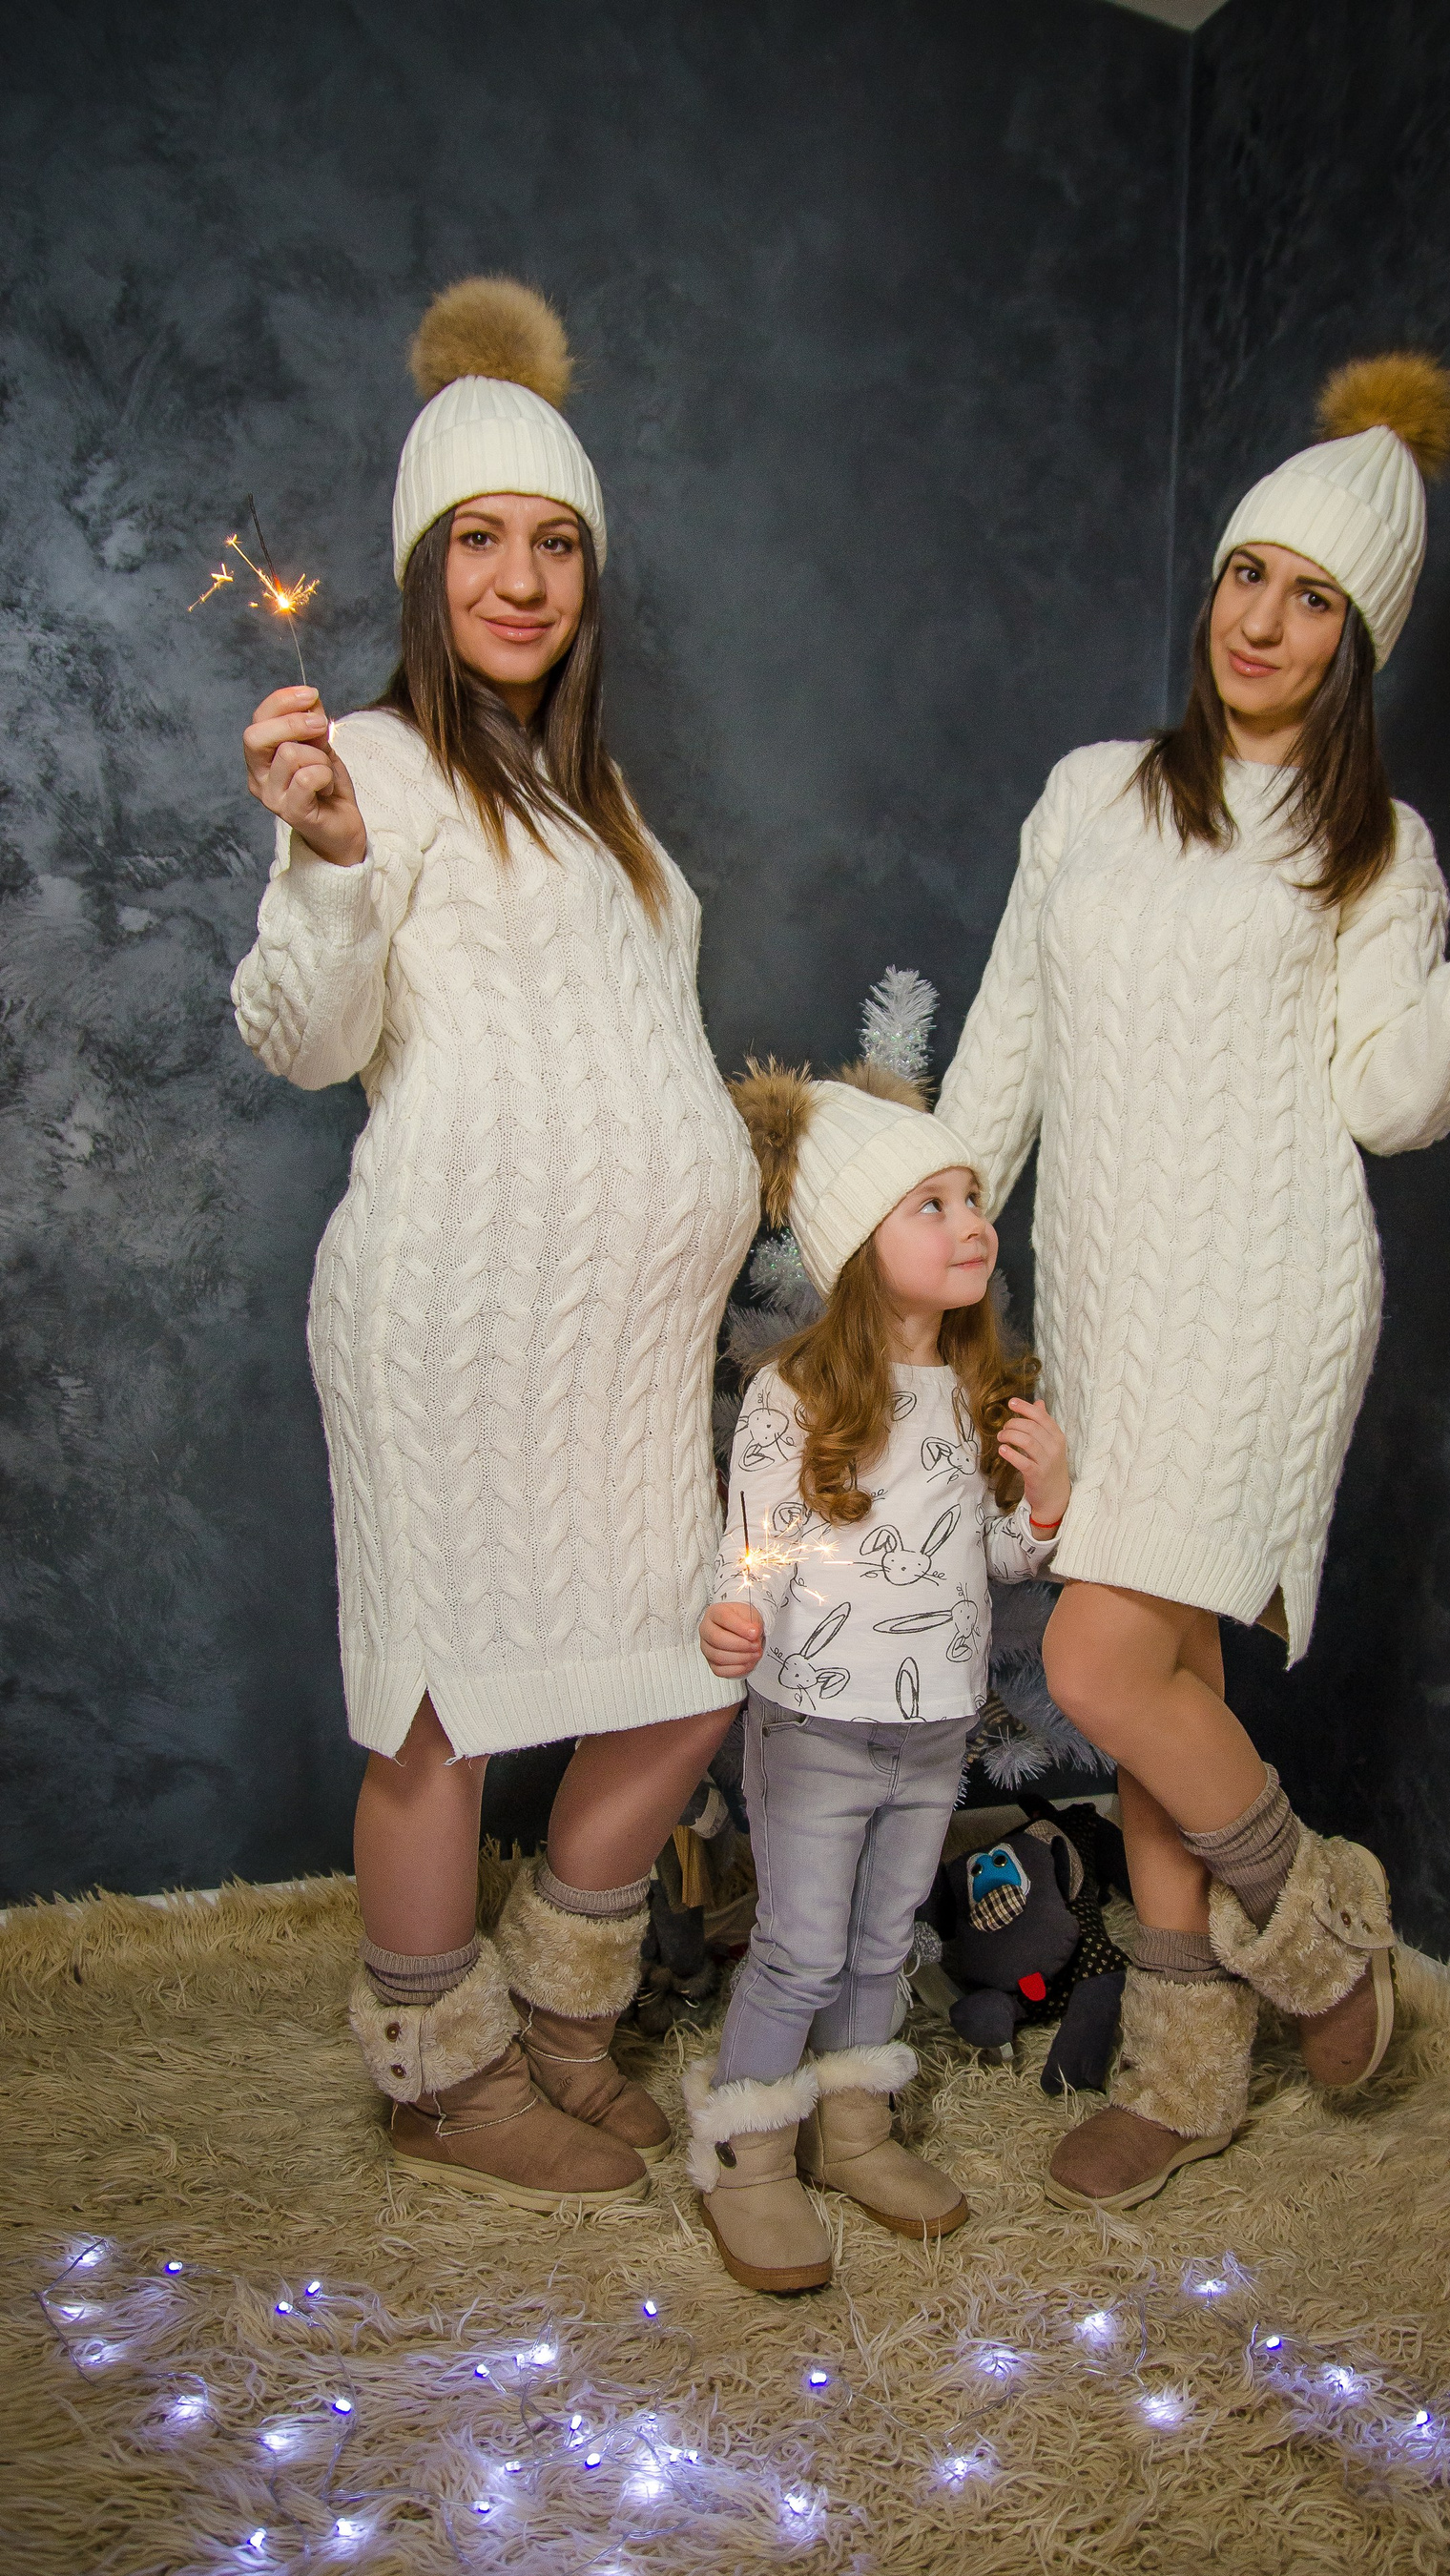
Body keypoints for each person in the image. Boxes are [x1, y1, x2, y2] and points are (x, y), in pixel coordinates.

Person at [934, 354, 1450, 2212]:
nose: (1263, 619)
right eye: (1250, 573)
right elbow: (1003, 1053)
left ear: (1356, 642)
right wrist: (920, 1241)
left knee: (1095, 1655)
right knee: (1158, 1677)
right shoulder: (1090, 795)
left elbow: (1389, 1102)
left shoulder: (1378, 850)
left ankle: (1314, 1935)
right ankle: (1185, 2076)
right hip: (1107, 1299)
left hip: (1265, 1304)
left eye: (1314, 599)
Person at [231, 280, 757, 2211]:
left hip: (623, 1350)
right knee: (440, 1707)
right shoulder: (368, 765)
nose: (520, 580)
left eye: (555, 543)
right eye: (478, 541)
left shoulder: (603, 803)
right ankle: (438, 2079)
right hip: (455, 1317)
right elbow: (302, 1039)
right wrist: (324, 863)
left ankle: (553, 2015)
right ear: (422, 566)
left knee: (687, 1669)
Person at [691, 1041, 1070, 2290]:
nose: (974, 1225)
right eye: (934, 1205)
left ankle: (854, 2131)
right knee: (801, 1947)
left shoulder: (975, 1390)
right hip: (817, 1727)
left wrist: (1046, 1501)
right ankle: (747, 2153)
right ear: (861, 1244)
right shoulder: (794, 1395)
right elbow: (753, 1548)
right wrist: (734, 1616)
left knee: (882, 1938)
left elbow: (999, 1561)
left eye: (974, 1199)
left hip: (932, 1730)